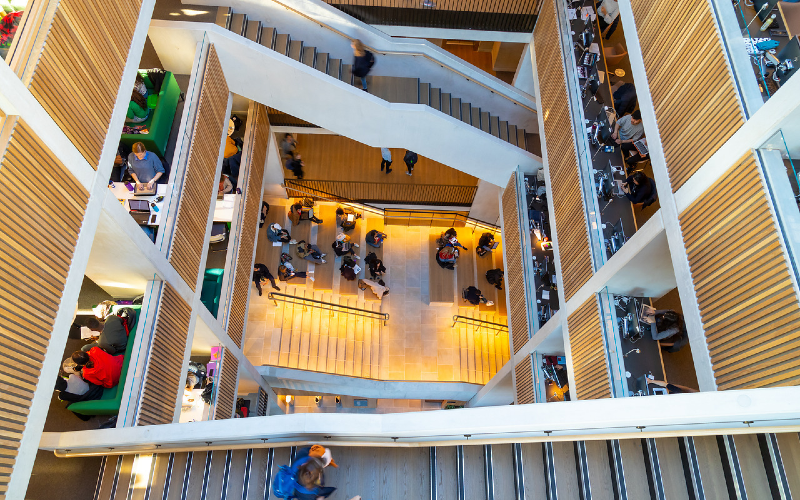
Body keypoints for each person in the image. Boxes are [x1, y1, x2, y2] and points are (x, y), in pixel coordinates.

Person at [223, 119, 242, 188]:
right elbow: (234, 143)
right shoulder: (227, 138)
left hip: (228, 157)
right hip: (234, 153)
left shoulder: (226, 138)